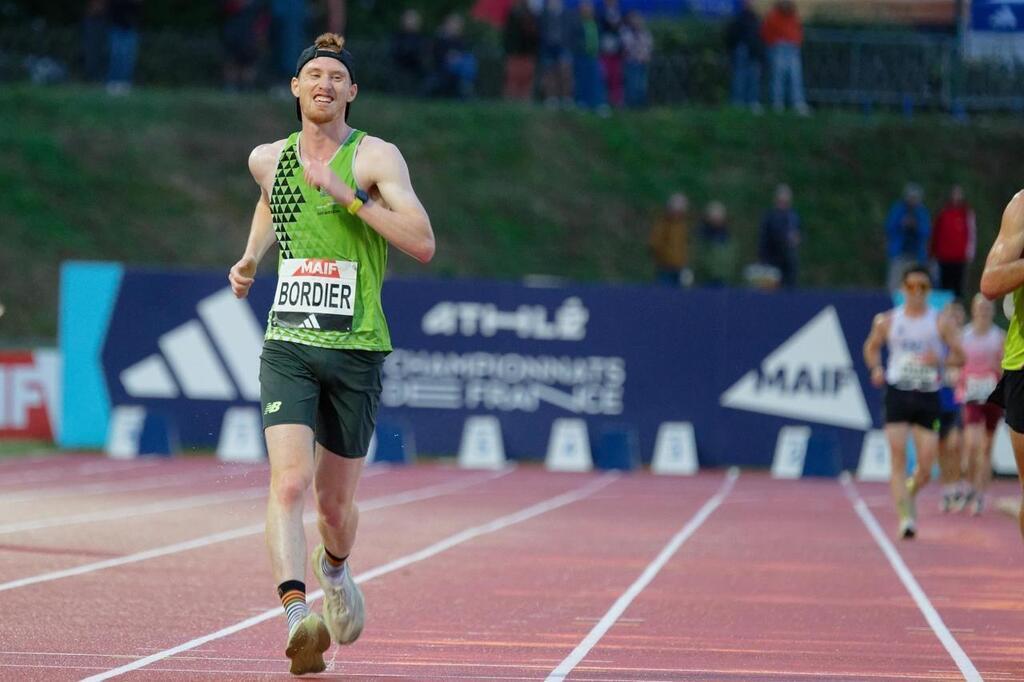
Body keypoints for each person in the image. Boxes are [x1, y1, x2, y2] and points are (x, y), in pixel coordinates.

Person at [227, 32, 435, 675]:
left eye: (335, 77)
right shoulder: (268, 158)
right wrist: (252, 256)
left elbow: (422, 242)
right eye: (312, 74)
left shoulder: (375, 158)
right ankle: (297, 617)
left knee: (333, 509)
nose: (323, 83)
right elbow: (272, 201)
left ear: (351, 92)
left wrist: (349, 197)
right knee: (287, 482)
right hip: (288, 341)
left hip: (355, 349)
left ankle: (336, 573)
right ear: (294, 88)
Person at [863, 265, 964, 538]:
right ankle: (906, 517)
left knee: (926, 465)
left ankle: (910, 490)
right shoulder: (887, 320)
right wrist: (876, 369)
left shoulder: (939, 321)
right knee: (897, 458)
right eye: (911, 287)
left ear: (929, 292)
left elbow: (960, 355)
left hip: (927, 395)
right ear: (903, 290)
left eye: (923, 287)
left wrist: (940, 360)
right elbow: (871, 347)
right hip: (898, 391)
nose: (917, 292)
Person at [957, 294, 1005, 515]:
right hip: (972, 397)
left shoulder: (999, 337)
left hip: (992, 397)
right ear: (973, 310)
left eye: (987, 308)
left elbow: (1007, 368)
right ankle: (967, 485)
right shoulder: (964, 336)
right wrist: (960, 378)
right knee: (971, 446)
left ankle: (979, 495)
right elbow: (954, 362)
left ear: (992, 312)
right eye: (979, 308)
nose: (983, 312)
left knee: (985, 449)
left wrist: (998, 369)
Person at [935, 301, 965, 512]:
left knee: (955, 445)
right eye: (949, 316)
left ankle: (956, 486)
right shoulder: (935, 341)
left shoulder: (965, 340)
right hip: (937, 400)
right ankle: (946, 488)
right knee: (941, 447)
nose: (952, 320)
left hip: (957, 401)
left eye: (957, 315)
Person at [761, 0, 808, 115]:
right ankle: (777, 104)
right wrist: (773, 44)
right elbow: (766, 33)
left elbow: (798, 30)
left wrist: (797, 41)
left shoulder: (792, 16)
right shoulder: (773, 16)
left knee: (795, 78)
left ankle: (798, 103)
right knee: (778, 78)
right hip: (779, 49)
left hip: (792, 49)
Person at [931, 185, 976, 298]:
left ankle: (957, 313)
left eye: (959, 194)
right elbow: (936, 233)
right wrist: (933, 252)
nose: (957, 197)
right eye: (955, 193)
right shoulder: (943, 212)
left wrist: (970, 253)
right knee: (943, 287)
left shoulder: (966, 213)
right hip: (943, 257)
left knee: (958, 289)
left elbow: (971, 234)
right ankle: (943, 312)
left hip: (959, 258)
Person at [885, 183, 931, 293]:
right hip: (899, 254)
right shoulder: (898, 209)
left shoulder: (921, 212)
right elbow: (889, 227)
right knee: (894, 285)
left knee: (914, 285)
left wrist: (916, 225)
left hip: (916, 256)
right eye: (911, 197)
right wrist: (902, 224)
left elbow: (927, 232)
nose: (913, 200)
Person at [758, 183, 800, 287]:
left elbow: (799, 232)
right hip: (772, 260)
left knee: (789, 288)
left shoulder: (793, 216)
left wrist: (797, 238)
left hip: (789, 261)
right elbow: (765, 238)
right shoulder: (770, 216)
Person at [726, 0, 764, 113]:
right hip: (743, 49)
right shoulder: (741, 18)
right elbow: (732, 34)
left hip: (752, 50)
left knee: (752, 77)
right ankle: (739, 102)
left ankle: (749, 102)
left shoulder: (754, 18)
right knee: (741, 77)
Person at [648, 193, 691, 286]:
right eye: (675, 209)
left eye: (680, 209)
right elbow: (654, 245)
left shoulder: (684, 227)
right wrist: (661, 258)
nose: (677, 212)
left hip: (680, 268)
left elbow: (686, 246)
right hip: (664, 268)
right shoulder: (662, 225)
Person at [503, 0, 540, 101]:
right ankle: (512, 102)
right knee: (513, 80)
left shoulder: (532, 15)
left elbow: (534, 36)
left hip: (527, 53)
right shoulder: (512, 15)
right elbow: (509, 36)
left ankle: (523, 103)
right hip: (515, 53)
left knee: (526, 80)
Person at [539, 0, 573, 108]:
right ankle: (551, 98)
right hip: (548, 47)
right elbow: (541, 30)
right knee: (549, 73)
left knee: (565, 73)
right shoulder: (544, 14)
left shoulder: (567, 13)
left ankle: (566, 98)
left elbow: (570, 31)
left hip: (563, 47)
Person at [695, 200, 736, 286]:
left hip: (724, 278)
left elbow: (732, 256)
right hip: (705, 279)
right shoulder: (702, 235)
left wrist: (726, 270)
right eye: (714, 216)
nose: (716, 219)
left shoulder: (728, 236)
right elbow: (699, 257)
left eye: (719, 216)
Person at [105, 0, 142, 95]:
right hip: (116, 26)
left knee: (128, 57)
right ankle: (113, 83)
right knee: (116, 55)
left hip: (130, 27)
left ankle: (125, 83)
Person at [390, 8, 428, 93]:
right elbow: (395, 53)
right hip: (401, 66)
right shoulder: (398, 37)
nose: (411, 22)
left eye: (413, 19)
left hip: (417, 67)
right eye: (409, 19)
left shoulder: (420, 38)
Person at [621, 10, 653, 108]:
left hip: (643, 62)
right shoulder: (626, 33)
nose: (636, 22)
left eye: (638, 20)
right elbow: (627, 47)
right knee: (632, 84)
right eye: (634, 20)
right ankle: (631, 105)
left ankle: (641, 105)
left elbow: (649, 46)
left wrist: (646, 55)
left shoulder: (645, 33)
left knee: (642, 84)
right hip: (631, 62)